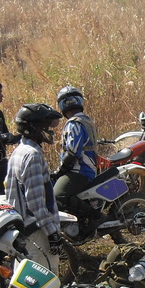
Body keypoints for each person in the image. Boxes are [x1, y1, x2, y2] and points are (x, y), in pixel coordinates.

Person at [6, 103, 64, 274]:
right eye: (46, 126)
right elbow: (36, 203)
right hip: (37, 233)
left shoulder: (19, 151)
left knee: (25, 279)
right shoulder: (33, 156)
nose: (49, 131)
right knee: (44, 280)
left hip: (24, 230)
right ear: (34, 128)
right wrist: (52, 233)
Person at [52, 85, 105, 238]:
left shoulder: (74, 124)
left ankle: (95, 216)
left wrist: (60, 171)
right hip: (88, 168)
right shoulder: (87, 120)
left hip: (79, 171)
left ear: (62, 105)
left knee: (57, 196)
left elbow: (72, 152)